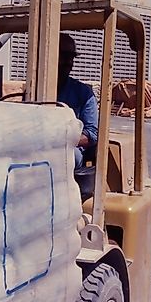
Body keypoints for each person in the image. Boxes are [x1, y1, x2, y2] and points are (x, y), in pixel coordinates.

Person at [57, 34, 98, 198]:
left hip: (72, 150)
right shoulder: (35, 87)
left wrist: (61, 139)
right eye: (63, 56)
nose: (68, 63)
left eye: (71, 57)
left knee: (62, 156)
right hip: (41, 148)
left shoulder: (84, 93)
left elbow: (92, 134)